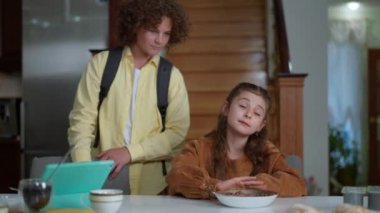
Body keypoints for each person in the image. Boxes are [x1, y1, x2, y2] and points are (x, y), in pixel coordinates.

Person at [67, 0, 190, 195]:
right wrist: (84, 170)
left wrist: (130, 152)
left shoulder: (172, 76)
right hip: (101, 176)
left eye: (166, 33)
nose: (160, 40)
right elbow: (82, 120)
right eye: (153, 30)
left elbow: (176, 134)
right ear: (135, 26)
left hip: (155, 186)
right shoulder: (101, 64)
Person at [165, 82, 307, 199]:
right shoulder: (199, 147)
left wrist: (262, 184)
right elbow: (177, 175)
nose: (248, 115)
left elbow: (297, 184)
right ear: (226, 109)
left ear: (261, 125)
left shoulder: (267, 151)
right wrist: (216, 187)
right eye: (243, 106)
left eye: (257, 113)